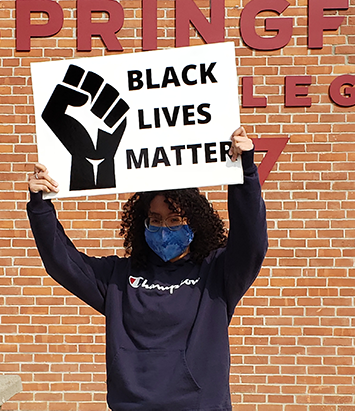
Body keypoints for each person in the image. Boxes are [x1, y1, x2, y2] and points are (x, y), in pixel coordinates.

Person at [27, 126, 268, 411]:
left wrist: (245, 174)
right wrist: (40, 205)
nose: (164, 228)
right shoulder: (118, 278)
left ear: (195, 223)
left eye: (175, 220)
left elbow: (252, 242)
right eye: (155, 219)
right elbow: (61, 262)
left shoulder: (217, 273)